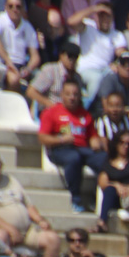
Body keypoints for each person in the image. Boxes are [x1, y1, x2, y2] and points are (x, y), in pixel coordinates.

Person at [0, 151, 59, 257]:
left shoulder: (11, 180)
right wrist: (11, 230)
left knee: (53, 239)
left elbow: (28, 205)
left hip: (27, 230)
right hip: (4, 231)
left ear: (1, 165)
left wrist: (40, 220)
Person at [38, 80, 103, 213]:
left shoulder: (85, 114)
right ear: (62, 95)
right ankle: (76, 198)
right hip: (60, 148)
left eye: (75, 94)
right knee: (74, 159)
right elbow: (42, 138)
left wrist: (95, 141)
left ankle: (100, 196)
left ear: (80, 96)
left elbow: (93, 136)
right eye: (68, 94)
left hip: (83, 148)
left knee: (104, 160)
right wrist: (61, 139)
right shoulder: (52, 112)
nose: (72, 97)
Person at [0, 0, 41, 93]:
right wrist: (9, 62)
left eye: (18, 6)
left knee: (42, 79)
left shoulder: (28, 27)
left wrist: (28, 69)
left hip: (21, 65)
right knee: (14, 79)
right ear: (5, 7)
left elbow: (35, 56)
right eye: (10, 6)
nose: (14, 9)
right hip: (2, 63)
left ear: (23, 9)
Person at [28, 42, 82, 109]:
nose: (72, 60)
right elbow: (31, 92)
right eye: (70, 56)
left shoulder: (77, 77)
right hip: (50, 111)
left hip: (70, 114)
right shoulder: (50, 70)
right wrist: (50, 105)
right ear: (61, 55)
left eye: (75, 57)